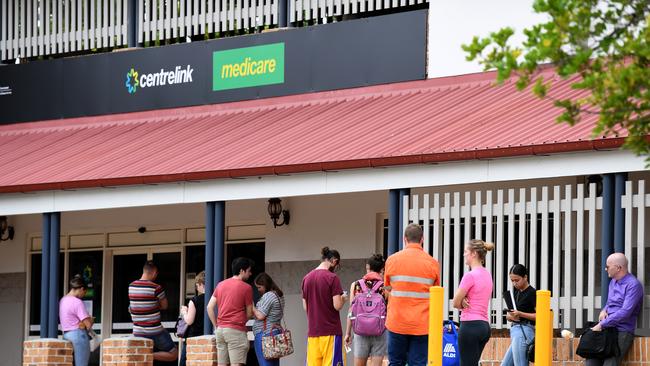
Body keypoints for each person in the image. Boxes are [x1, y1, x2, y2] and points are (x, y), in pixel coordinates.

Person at [384, 223, 440, 366]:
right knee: (418, 363)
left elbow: (388, 288)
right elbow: (435, 292)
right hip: (421, 324)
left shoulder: (392, 260)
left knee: (396, 363)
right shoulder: (433, 263)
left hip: (397, 322)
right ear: (422, 239)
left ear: (404, 239)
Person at [587, 253, 644, 366]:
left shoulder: (633, 285)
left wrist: (601, 325)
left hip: (621, 331)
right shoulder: (613, 282)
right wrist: (604, 310)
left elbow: (625, 313)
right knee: (591, 361)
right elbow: (610, 302)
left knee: (610, 363)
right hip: (607, 329)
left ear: (618, 268)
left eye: (608, 266)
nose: (605, 268)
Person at [302, 246, 347, 366]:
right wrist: (343, 299)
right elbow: (337, 305)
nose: (336, 269)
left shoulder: (306, 278)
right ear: (334, 261)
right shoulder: (332, 278)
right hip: (330, 331)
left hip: (313, 332)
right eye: (337, 266)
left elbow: (306, 307)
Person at [453, 239, 494, 366]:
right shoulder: (487, 275)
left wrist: (462, 300)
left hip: (470, 326)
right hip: (484, 327)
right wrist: (464, 299)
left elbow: (455, 302)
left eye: (466, 251)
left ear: (474, 253)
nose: (464, 254)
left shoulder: (470, 276)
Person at [207, 257, 254, 366]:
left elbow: (209, 307)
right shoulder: (246, 288)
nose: (250, 273)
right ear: (242, 271)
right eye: (249, 271)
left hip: (220, 331)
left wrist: (216, 326)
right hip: (236, 331)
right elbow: (250, 313)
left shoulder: (220, 285)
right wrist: (242, 320)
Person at [128, 260, 178, 362]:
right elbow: (165, 306)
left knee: (141, 361)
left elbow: (131, 307)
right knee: (174, 354)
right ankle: (150, 354)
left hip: (138, 331)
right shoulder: (156, 288)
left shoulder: (131, 286)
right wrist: (153, 304)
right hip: (155, 331)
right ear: (154, 272)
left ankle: (145, 354)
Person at [345, 254, 388, 366]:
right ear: (382, 270)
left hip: (360, 332)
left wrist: (348, 333)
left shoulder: (355, 285)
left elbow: (351, 312)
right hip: (380, 332)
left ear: (368, 267)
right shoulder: (385, 288)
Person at [502, 264, 536, 366]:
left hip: (525, 330)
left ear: (525, 277)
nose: (514, 283)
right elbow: (513, 315)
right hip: (516, 330)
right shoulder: (516, 293)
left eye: (517, 280)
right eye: (512, 280)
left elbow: (539, 316)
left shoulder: (532, 293)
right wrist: (510, 316)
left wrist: (520, 314)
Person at [251, 272, 286, 366]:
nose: (258, 290)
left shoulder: (269, 295)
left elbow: (260, 316)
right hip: (275, 333)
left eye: (259, 287)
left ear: (265, 285)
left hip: (265, 335)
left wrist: (252, 306)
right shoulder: (279, 295)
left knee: (265, 364)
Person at [60, 274, 94, 366]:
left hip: (66, 335)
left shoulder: (63, 300)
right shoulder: (77, 302)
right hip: (79, 335)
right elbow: (88, 325)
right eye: (84, 292)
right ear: (81, 289)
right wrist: (91, 319)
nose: (84, 295)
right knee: (81, 364)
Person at [179, 271, 206, 366]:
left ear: (200, 284)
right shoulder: (214, 299)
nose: (196, 287)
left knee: (184, 362)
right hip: (207, 337)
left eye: (197, 284)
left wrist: (184, 312)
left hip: (193, 338)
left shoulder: (194, 300)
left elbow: (189, 321)